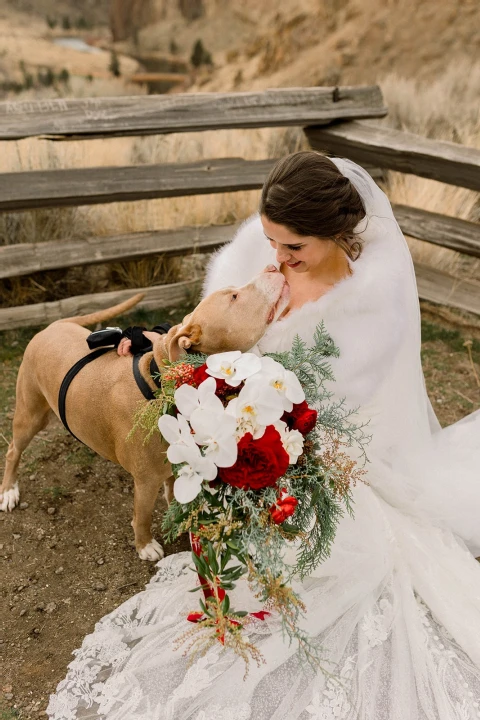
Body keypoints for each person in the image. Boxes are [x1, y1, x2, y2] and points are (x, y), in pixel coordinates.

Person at [47, 152, 480, 720]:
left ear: (334, 233)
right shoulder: (264, 249)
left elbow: (330, 410)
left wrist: (254, 435)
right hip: (251, 426)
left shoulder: (370, 307)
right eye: (271, 240)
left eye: (292, 248)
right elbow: (213, 329)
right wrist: (161, 343)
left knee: (350, 571)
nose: (276, 258)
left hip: (323, 448)